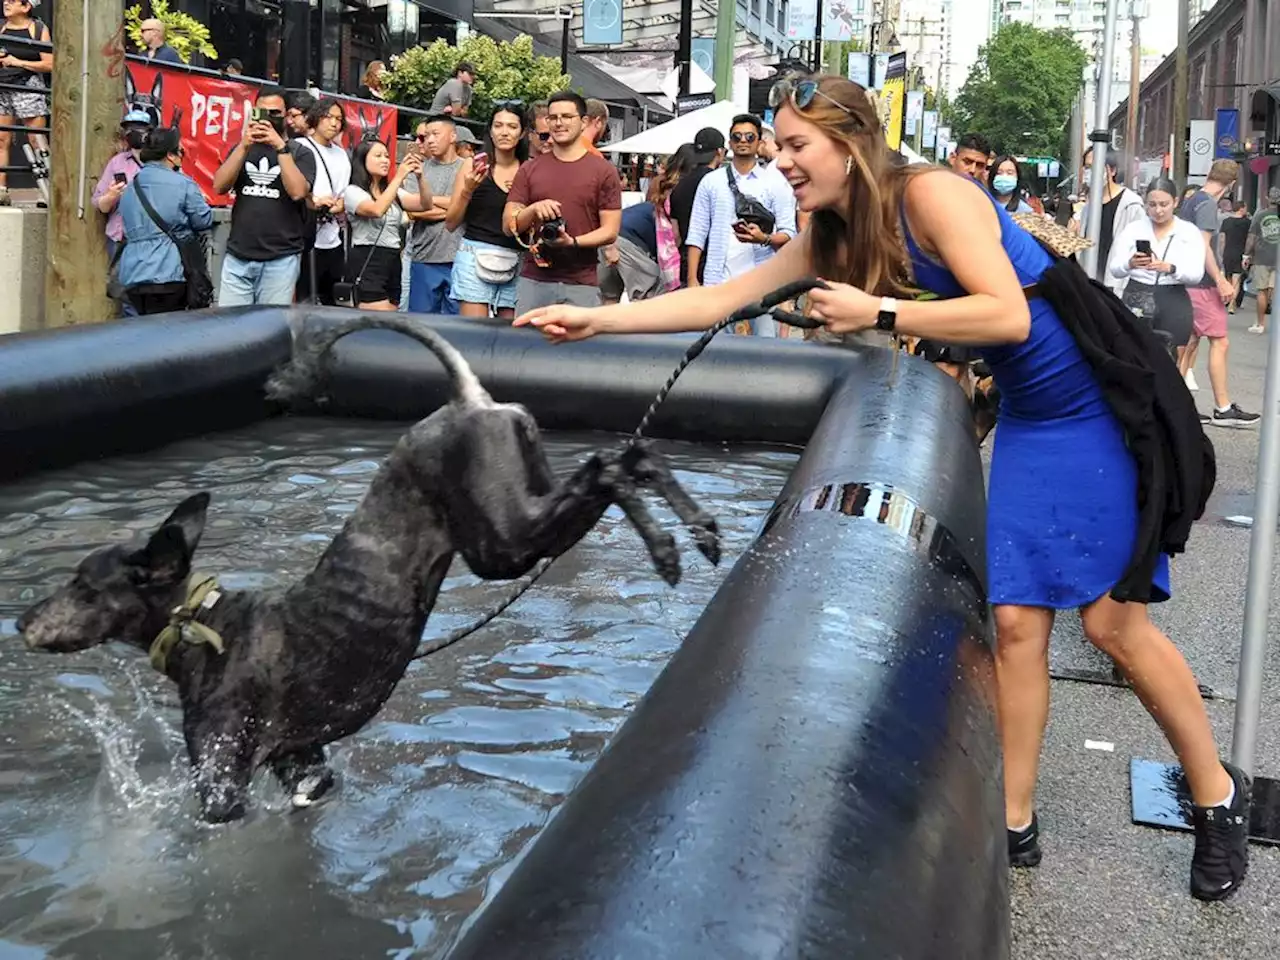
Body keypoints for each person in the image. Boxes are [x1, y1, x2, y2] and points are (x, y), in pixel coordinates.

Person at [515, 74, 1251, 903]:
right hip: (1032, 421)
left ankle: (1217, 796)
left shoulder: (936, 194)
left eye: (798, 146)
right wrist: (595, 321)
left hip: (1095, 402)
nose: (782, 161)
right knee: (1015, 624)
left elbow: (1006, 315)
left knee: (1113, 624)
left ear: (853, 142)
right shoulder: (832, 233)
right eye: (780, 147)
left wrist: (881, 313)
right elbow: (719, 297)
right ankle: (1013, 822)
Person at [503, 90, 622, 312]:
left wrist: (572, 242)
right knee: (525, 346)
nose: (559, 123)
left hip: (582, 283)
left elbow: (610, 231)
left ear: (583, 121)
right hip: (534, 280)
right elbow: (508, 225)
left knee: (578, 347)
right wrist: (533, 210)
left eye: (567, 117)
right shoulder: (530, 169)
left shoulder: (603, 171)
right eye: (553, 117)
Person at [686, 113, 797, 336]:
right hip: (718, 280)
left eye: (749, 136)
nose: (743, 141)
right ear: (729, 143)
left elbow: (788, 233)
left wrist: (763, 238)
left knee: (764, 348)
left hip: (761, 281)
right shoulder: (712, 182)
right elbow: (697, 232)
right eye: (737, 137)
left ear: (759, 142)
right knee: (714, 347)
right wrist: (692, 280)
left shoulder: (774, 184)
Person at [212, 87, 316, 306]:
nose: (269, 118)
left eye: (275, 113)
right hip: (238, 255)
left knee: (270, 330)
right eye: (262, 112)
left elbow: (298, 192)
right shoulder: (243, 148)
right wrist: (243, 145)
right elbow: (219, 186)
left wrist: (280, 146)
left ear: (288, 115)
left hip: (280, 258)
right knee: (231, 330)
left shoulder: (300, 152)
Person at [1176, 159, 1259, 426]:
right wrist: (1221, 280)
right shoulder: (1208, 205)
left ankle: (1176, 404)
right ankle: (1223, 407)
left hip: (1186, 280)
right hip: (1201, 284)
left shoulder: (1191, 200)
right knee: (1219, 341)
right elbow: (1204, 247)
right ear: (1232, 184)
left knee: (1189, 343)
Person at [1107, 177, 1204, 370]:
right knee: (1135, 355)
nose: (1158, 210)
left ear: (1175, 202)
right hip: (1137, 294)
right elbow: (1115, 268)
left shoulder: (1188, 231)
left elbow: (1196, 274)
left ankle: (1170, 398)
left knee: (1171, 360)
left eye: (1164, 204)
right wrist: (1130, 263)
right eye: (1152, 205)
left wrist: (1171, 268)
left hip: (1173, 298)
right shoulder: (1133, 229)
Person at [116, 127, 213, 315]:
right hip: (169, 270)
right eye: (180, 152)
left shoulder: (131, 187)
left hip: (133, 273)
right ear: (170, 155)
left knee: (142, 330)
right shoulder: (183, 183)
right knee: (168, 333)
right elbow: (203, 220)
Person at [444, 103, 528, 319]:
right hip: (474, 255)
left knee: (511, 336)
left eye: (512, 126)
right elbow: (451, 223)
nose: (505, 132)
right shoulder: (472, 166)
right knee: (475, 335)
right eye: (498, 125)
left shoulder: (529, 169)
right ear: (490, 130)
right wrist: (468, 190)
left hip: (517, 258)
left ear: (523, 132)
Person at [343, 140, 426, 310]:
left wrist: (420, 177)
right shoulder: (353, 191)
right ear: (362, 160)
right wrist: (399, 176)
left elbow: (425, 204)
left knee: (393, 312)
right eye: (378, 156)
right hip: (368, 257)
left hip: (393, 257)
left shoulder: (391, 191)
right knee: (380, 315)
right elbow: (376, 210)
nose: (385, 160)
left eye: (387, 156)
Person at [93, 108, 153, 313]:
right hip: (121, 240)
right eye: (129, 129)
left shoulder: (160, 162)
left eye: (139, 129)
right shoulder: (117, 162)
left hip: (151, 240)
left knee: (151, 294)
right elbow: (99, 204)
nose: (133, 134)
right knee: (126, 297)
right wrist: (111, 196)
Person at [402, 115, 464, 313]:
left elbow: (470, 207)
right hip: (424, 257)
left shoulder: (467, 167)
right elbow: (413, 210)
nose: (429, 140)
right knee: (421, 324)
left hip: (460, 259)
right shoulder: (417, 169)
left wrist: (429, 200)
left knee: (458, 327)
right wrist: (456, 205)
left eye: (435, 134)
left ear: (453, 136)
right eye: (426, 136)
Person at [294, 97, 351, 305]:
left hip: (333, 234)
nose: (334, 123)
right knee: (304, 297)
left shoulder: (342, 154)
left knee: (332, 297)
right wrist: (314, 200)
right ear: (316, 118)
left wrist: (341, 204)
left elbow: (345, 191)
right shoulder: (300, 147)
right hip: (306, 233)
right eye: (328, 117)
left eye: (338, 118)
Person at [0, 0, 51, 207]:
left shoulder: (37, 28)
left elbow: (50, 63)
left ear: (26, 6)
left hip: (28, 86)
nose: (6, 3)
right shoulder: (1, 26)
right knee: (1, 138)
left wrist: (18, 62)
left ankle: (45, 190)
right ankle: (2, 190)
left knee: (36, 139)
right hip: (2, 86)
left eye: (12, 0)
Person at [1075, 147, 1145, 293]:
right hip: (1089, 285)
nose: (1090, 172)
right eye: (1087, 167)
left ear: (1112, 170)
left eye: (1096, 166)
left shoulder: (1131, 205)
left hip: (1117, 287)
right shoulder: (1088, 208)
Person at [668, 127, 725, 286]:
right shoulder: (719, 183)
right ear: (720, 152)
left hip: (687, 261)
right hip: (714, 261)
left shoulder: (679, 185)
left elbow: (676, 233)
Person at [1243, 186, 1280, 334]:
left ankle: (1260, 324)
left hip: (1262, 257)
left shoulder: (1260, 215)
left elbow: (1252, 237)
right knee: (1273, 290)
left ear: (1267, 197)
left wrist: (1246, 255)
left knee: (1261, 291)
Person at [1218, 199, 1251, 315]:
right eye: (1245, 207)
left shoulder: (1226, 222)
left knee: (1228, 278)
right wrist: (1247, 255)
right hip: (1240, 253)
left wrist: (1222, 253)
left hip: (1228, 252)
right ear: (1241, 209)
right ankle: (1232, 304)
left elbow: (1222, 239)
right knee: (1236, 280)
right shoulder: (1247, 222)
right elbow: (1249, 239)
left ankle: (1227, 299)